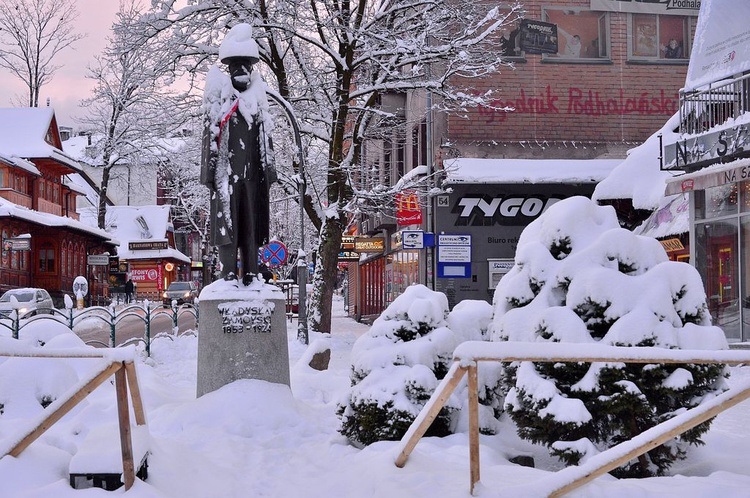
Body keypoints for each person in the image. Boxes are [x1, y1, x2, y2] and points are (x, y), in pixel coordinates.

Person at [201, 23, 277, 285]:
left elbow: (267, 140)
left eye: (246, 66)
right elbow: (209, 140)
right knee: (227, 228)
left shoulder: (257, 103)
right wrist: (209, 174)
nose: (241, 71)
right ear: (229, 70)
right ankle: (229, 271)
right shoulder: (220, 102)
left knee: (251, 225)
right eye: (236, 66)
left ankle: (253, 271)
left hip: (253, 177)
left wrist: (270, 172)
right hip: (227, 176)